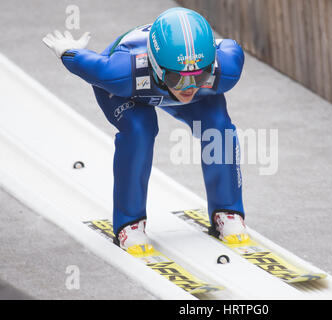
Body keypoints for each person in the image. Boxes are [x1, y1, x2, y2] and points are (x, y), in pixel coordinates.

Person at [43, 7, 249, 256]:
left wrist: (187, 75)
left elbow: (229, 47)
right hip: (132, 91)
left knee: (218, 126)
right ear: (157, 67)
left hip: (163, 78)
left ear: (211, 64)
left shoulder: (224, 68)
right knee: (139, 130)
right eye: (177, 79)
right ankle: (129, 223)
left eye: (200, 74)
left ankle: (227, 209)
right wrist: (70, 51)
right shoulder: (118, 72)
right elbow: (88, 65)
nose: (189, 87)